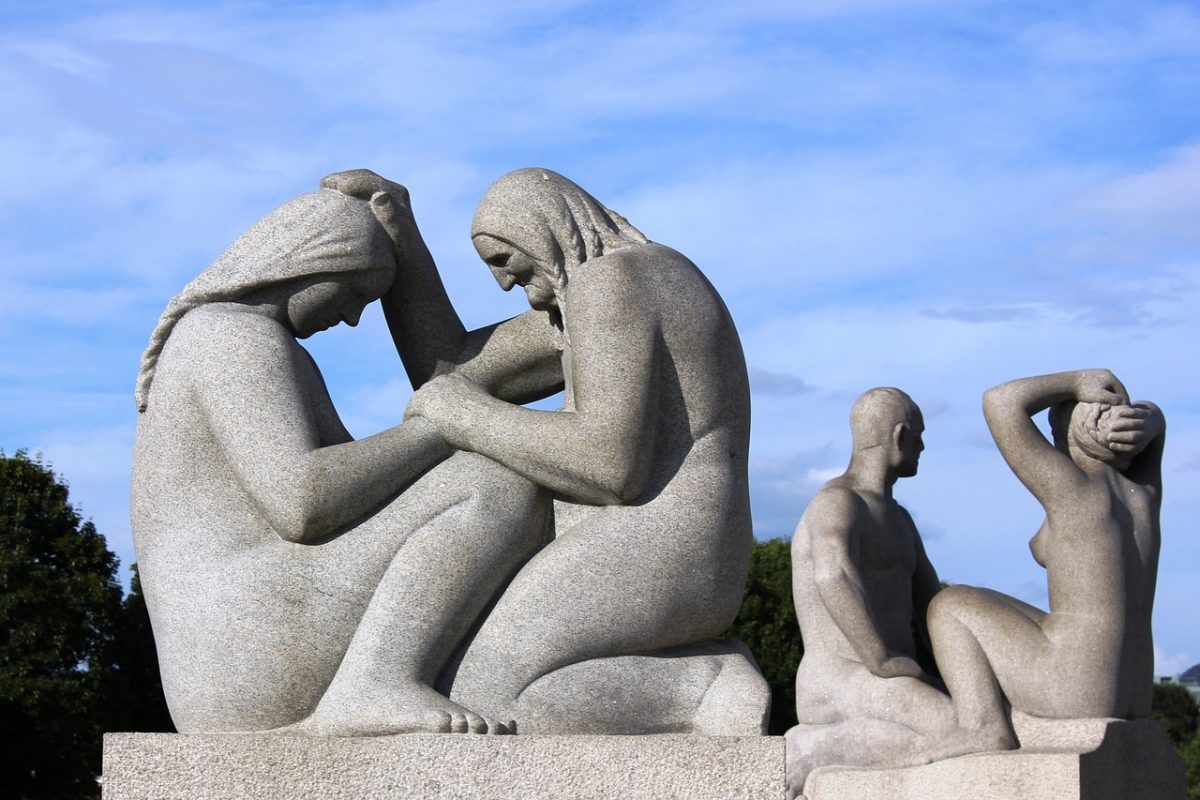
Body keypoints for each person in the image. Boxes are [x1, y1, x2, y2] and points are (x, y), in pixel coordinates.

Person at [326, 167, 770, 734]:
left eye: (503, 260)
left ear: (542, 230)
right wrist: (403, 238)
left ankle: (701, 686)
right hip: (686, 551)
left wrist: (463, 418)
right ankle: (697, 681)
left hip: (658, 543)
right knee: (456, 688)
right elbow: (455, 369)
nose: (505, 284)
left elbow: (610, 466)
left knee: (476, 693)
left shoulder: (616, 283)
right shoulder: (610, 291)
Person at [132, 187, 551, 736]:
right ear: (308, 261)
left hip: (236, 650)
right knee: (489, 481)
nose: (353, 316)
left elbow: (353, 497)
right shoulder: (230, 336)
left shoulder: (253, 343)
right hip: (244, 645)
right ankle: (375, 681)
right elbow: (304, 501)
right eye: (355, 291)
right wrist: (443, 426)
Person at [923, 369, 1165, 759]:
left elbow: (1000, 402)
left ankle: (981, 727)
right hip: (1135, 686)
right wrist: (1148, 417)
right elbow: (1158, 427)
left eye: (1055, 433)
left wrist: (1078, 381)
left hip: (1079, 683)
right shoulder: (1143, 497)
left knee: (950, 606)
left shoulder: (1075, 491)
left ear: (1074, 433)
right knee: (1028, 616)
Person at [784, 388, 955, 797]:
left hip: (890, 680)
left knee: (980, 717)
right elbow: (834, 575)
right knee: (955, 727)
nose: (923, 446)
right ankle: (815, 749)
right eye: (919, 435)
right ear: (900, 437)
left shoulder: (901, 521)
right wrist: (880, 658)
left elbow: (933, 607)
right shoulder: (837, 502)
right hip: (839, 679)